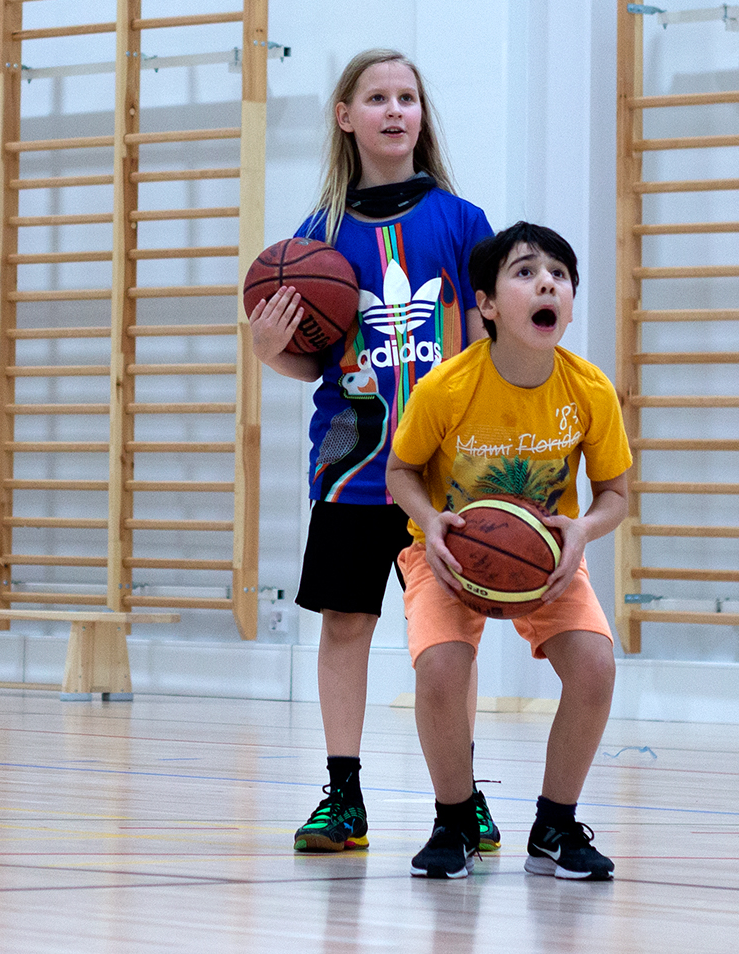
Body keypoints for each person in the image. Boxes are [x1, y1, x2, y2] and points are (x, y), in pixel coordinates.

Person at [247, 49, 497, 855]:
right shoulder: (314, 239)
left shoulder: (462, 223)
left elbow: (494, 341)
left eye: (409, 98)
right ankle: (344, 796)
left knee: (448, 645)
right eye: (377, 98)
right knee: (346, 628)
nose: (396, 111)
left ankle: (461, 800)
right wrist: (267, 350)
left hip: (445, 479)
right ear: (345, 116)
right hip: (353, 468)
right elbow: (305, 360)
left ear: (422, 117)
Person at [385, 221, 631, 880]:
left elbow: (614, 493)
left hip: (547, 559)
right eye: (524, 271)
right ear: (487, 304)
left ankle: (555, 823)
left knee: (596, 668)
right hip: (451, 554)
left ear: (570, 301)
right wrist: (430, 523)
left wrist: (582, 532)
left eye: (559, 274)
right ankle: (455, 819)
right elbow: (401, 473)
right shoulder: (448, 386)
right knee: (440, 671)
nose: (546, 281)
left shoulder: (589, 392)